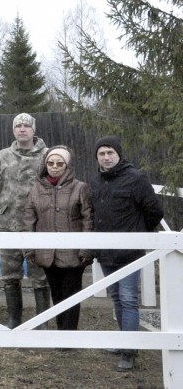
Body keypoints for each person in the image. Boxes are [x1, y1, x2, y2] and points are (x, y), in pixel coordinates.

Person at [90, 136, 163, 372]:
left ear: (119, 154)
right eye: (101, 153)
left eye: (110, 152)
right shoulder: (97, 180)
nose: (106, 157)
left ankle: (130, 350)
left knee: (129, 298)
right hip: (106, 251)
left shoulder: (136, 179)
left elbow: (154, 212)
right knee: (117, 298)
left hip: (130, 251)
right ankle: (124, 341)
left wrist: (138, 234)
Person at [0, 113, 50, 329]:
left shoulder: (47, 156)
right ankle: (14, 318)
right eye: (18, 126)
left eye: (26, 126)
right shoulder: (2, 157)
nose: (22, 129)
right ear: (13, 130)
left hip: (38, 226)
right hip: (6, 223)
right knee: (10, 275)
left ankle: (42, 321)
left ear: (33, 130)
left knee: (40, 275)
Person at [23, 145, 93, 333]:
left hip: (73, 254)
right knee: (57, 293)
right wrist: (29, 248)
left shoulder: (80, 188)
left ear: (67, 166)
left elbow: (88, 220)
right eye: (51, 163)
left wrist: (86, 249)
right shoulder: (36, 189)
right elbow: (29, 221)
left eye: (59, 163)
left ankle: (69, 334)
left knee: (71, 294)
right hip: (47, 252)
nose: (54, 166)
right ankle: (61, 330)